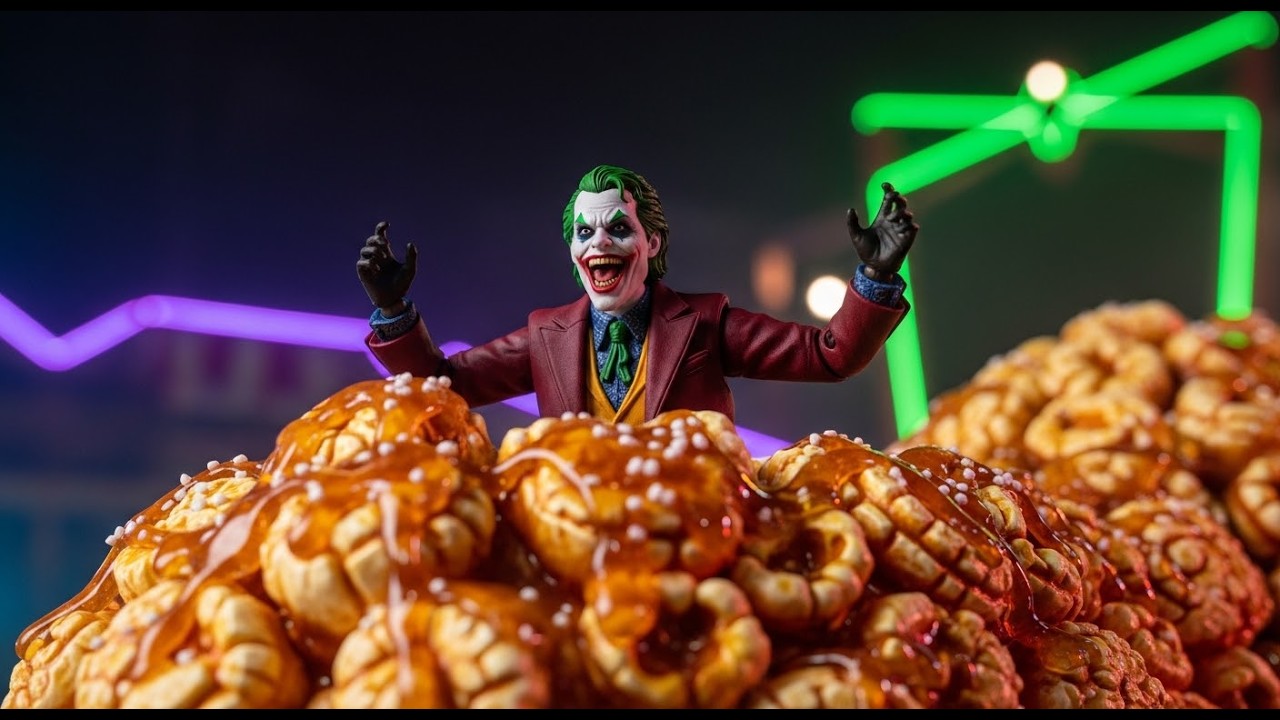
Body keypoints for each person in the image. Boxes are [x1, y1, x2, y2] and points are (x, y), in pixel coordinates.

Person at [356, 164, 916, 425]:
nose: (599, 242)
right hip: (571, 531)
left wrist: (875, 277)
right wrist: (392, 311)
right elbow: (442, 387)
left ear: (651, 242)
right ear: (573, 255)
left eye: (617, 228)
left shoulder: (704, 322)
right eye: (583, 232)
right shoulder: (546, 334)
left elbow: (829, 355)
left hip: (697, 530)